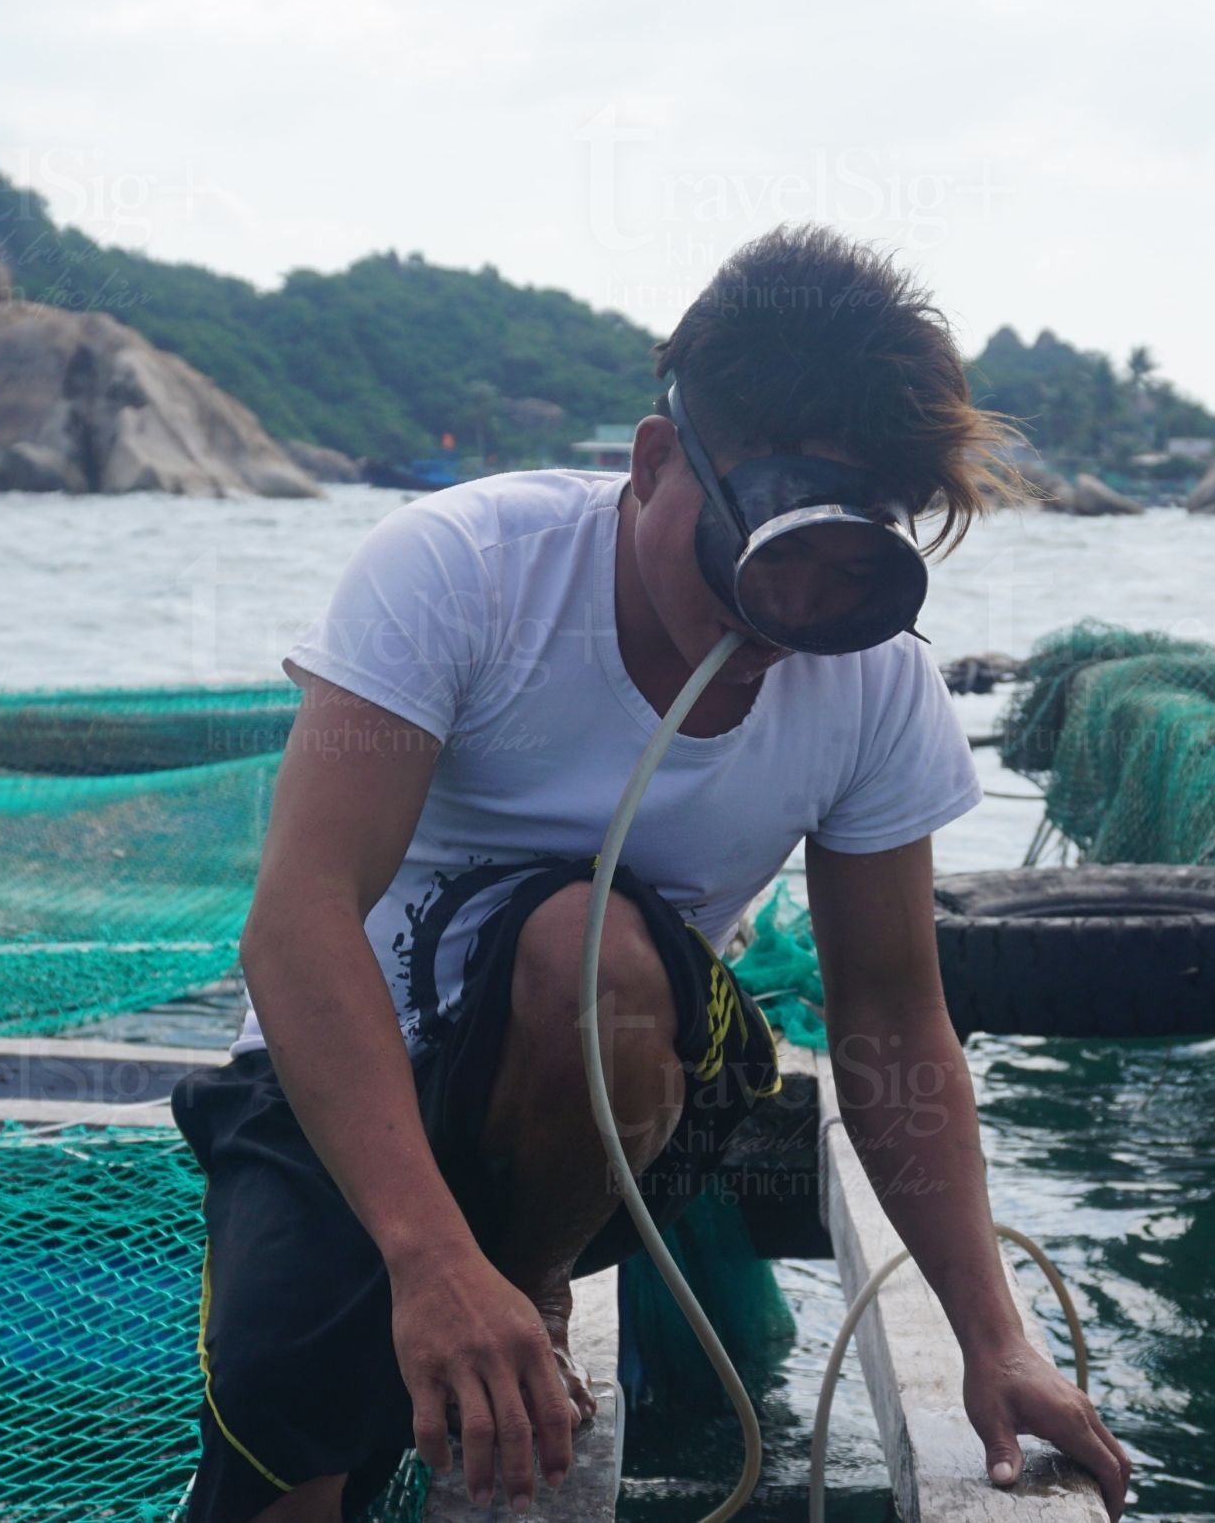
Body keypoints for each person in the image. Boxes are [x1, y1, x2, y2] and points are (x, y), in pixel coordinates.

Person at [172, 224, 1131, 1523]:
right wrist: (424, 1258)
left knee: (592, 954)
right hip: (360, 1066)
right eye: (754, 556)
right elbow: (299, 920)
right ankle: (459, 1289)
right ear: (653, 460)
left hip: (626, 1105)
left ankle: (539, 1277)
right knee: (288, 1434)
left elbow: (896, 1019)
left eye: (840, 580)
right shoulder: (462, 570)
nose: (775, 622)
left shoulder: (873, 684)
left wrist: (993, 1335)